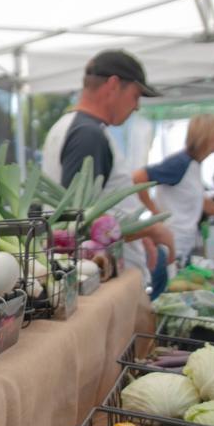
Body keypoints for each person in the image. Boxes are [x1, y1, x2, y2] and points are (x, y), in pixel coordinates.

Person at [52, 49, 174, 290]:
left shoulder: (75, 127)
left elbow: (87, 211)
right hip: (104, 280)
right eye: (136, 95)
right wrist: (151, 228)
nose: (137, 106)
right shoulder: (88, 135)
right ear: (114, 85)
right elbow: (75, 222)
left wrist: (139, 232)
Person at [132, 113, 214, 263]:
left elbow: (199, 197)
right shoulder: (180, 164)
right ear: (209, 136)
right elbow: (138, 178)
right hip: (171, 246)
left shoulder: (193, 164)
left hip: (184, 244)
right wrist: (155, 213)